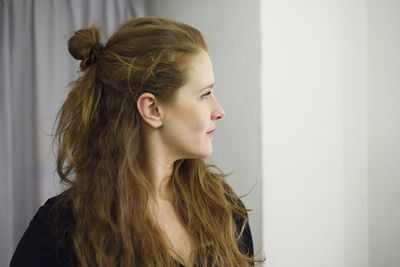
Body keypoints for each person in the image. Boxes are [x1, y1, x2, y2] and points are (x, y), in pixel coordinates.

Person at [10, 16, 264, 267]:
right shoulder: (60, 230)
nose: (219, 110)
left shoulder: (223, 207)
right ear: (152, 109)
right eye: (205, 95)